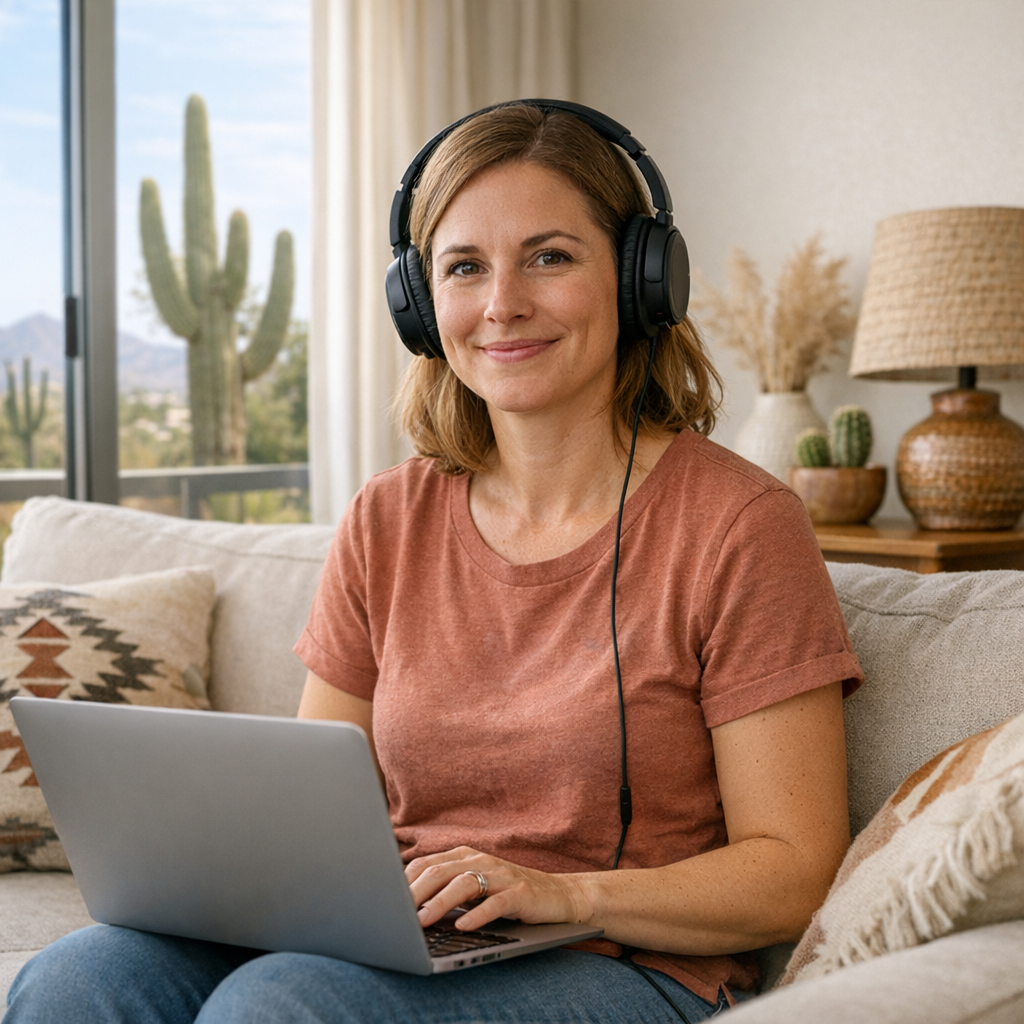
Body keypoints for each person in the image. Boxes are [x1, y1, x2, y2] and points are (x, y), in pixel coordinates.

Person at [4, 102, 862, 1024]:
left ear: (640, 277)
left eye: (550, 257)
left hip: (626, 963)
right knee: (78, 980)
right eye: (464, 267)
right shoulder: (387, 518)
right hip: (409, 935)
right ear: (419, 303)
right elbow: (312, 810)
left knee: (280, 1007)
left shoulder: (741, 525)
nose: (502, 304)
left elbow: (794, 871)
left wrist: (562, 893)